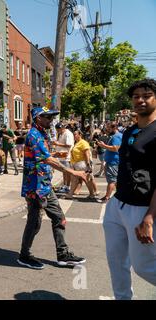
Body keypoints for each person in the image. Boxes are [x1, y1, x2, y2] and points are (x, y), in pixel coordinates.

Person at [103, 79, 156, 300]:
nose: (140, 100)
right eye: (136, 96)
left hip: (141, 208)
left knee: (143, 266)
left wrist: (150, 217)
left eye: (146, 95)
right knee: (116, 263)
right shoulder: (130, 131)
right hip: (117, 204)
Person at [18, 107, 87, 270]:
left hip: (45, 186)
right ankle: (24, 255)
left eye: (51, 117)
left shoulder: (43, 134)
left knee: (59, 218)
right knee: (34, 223)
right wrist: (72, 171)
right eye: (47, 117)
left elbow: (43, 157)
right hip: (35, 187)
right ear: (37, 118)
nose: (50, 120)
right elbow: (46, 159)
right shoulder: (34, 134)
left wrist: (55, 155)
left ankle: (62, 255)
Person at [65, 130, 99, 200]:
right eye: (73, 134)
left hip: (83, 164)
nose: (74, 136)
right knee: (77, 179)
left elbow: (87, 154)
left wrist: (88, 164)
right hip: (77, 164)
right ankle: (71, 194)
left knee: (86, 179)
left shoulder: (83, 143)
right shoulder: (77, 143)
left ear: (80, 135)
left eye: (75, 134)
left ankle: (91, 194)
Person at [96, 122, 122, 203]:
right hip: (113, 161)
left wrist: (103, 146)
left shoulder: (116, 137)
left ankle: (106, 198)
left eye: (108, 128)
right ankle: (120, 196)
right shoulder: (117, 135)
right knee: (115, 180)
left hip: (113, 162)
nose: (107, 130)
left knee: (111, 181)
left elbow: (115, 148)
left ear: (114, 128)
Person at [53, 123, 74, 193]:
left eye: (58, 130)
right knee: (64, 172)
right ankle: (65, 185)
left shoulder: (68, 134)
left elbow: (69, 145)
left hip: (66, 156)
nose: (57, 131)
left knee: (67, 172)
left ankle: (68, 186)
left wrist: (57, 144)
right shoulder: (62, 133)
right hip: (62, 156)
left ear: (62, 128)